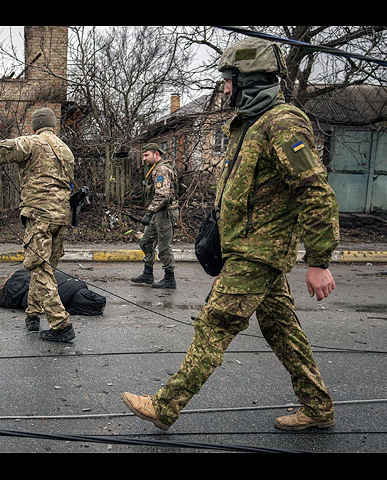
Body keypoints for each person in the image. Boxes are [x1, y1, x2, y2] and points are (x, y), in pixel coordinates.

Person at [121, 37, 340, 432]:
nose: (223, 87)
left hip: (260, 251)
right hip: (249, 248)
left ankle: (165, 406)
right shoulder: (249, 125)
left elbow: (315, 191)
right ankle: (318, 407)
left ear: (251, 79)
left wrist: (319, 261)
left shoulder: (284, 122)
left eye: (228, 79)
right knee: (281, 329)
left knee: (215, 323)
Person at [0, 107, 76, 342]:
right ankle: (33, 314)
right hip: (61, 217)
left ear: (35, 126)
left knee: (39, 268)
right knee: (46, 269)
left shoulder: (33, 142)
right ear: (54, 126)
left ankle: (61, 324)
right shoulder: (65, 150)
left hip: (40, 216)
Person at [0, 269, 106, 316]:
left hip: (23, 275)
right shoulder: (59, 300)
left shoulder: (78, 284)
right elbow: (29, 299)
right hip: (16, 290)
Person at [130, 143, 179, 289]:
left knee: (164, 247)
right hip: (157, 212)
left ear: (156, 154)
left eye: (146, 155)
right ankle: (148, 274)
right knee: (145, 242)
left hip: (165, 212)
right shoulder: (154, 169)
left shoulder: (162, 170)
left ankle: (170, 279)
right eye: (143, 155)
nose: (144, 159)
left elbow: (162, 195)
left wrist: (149, 212)